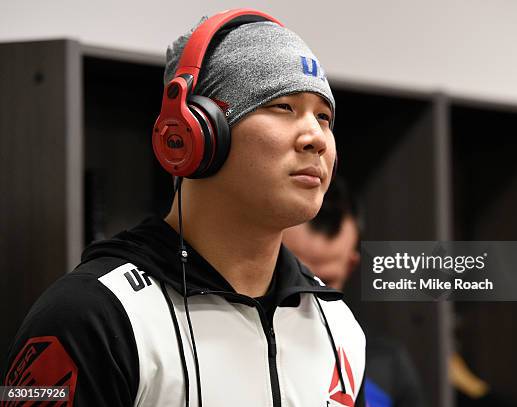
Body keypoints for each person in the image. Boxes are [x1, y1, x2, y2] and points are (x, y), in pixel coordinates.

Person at [1, 9, 365, 407]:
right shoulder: (88, 315)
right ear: (197, 132)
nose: (316, 137)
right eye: (282, 107)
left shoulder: (337, 324)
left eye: (324, 116)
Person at [283, 178, 427, 407]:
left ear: (350, 265)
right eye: (293, 275)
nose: (307, 293)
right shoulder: (237, 346)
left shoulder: (384, 363)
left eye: (325, 281)